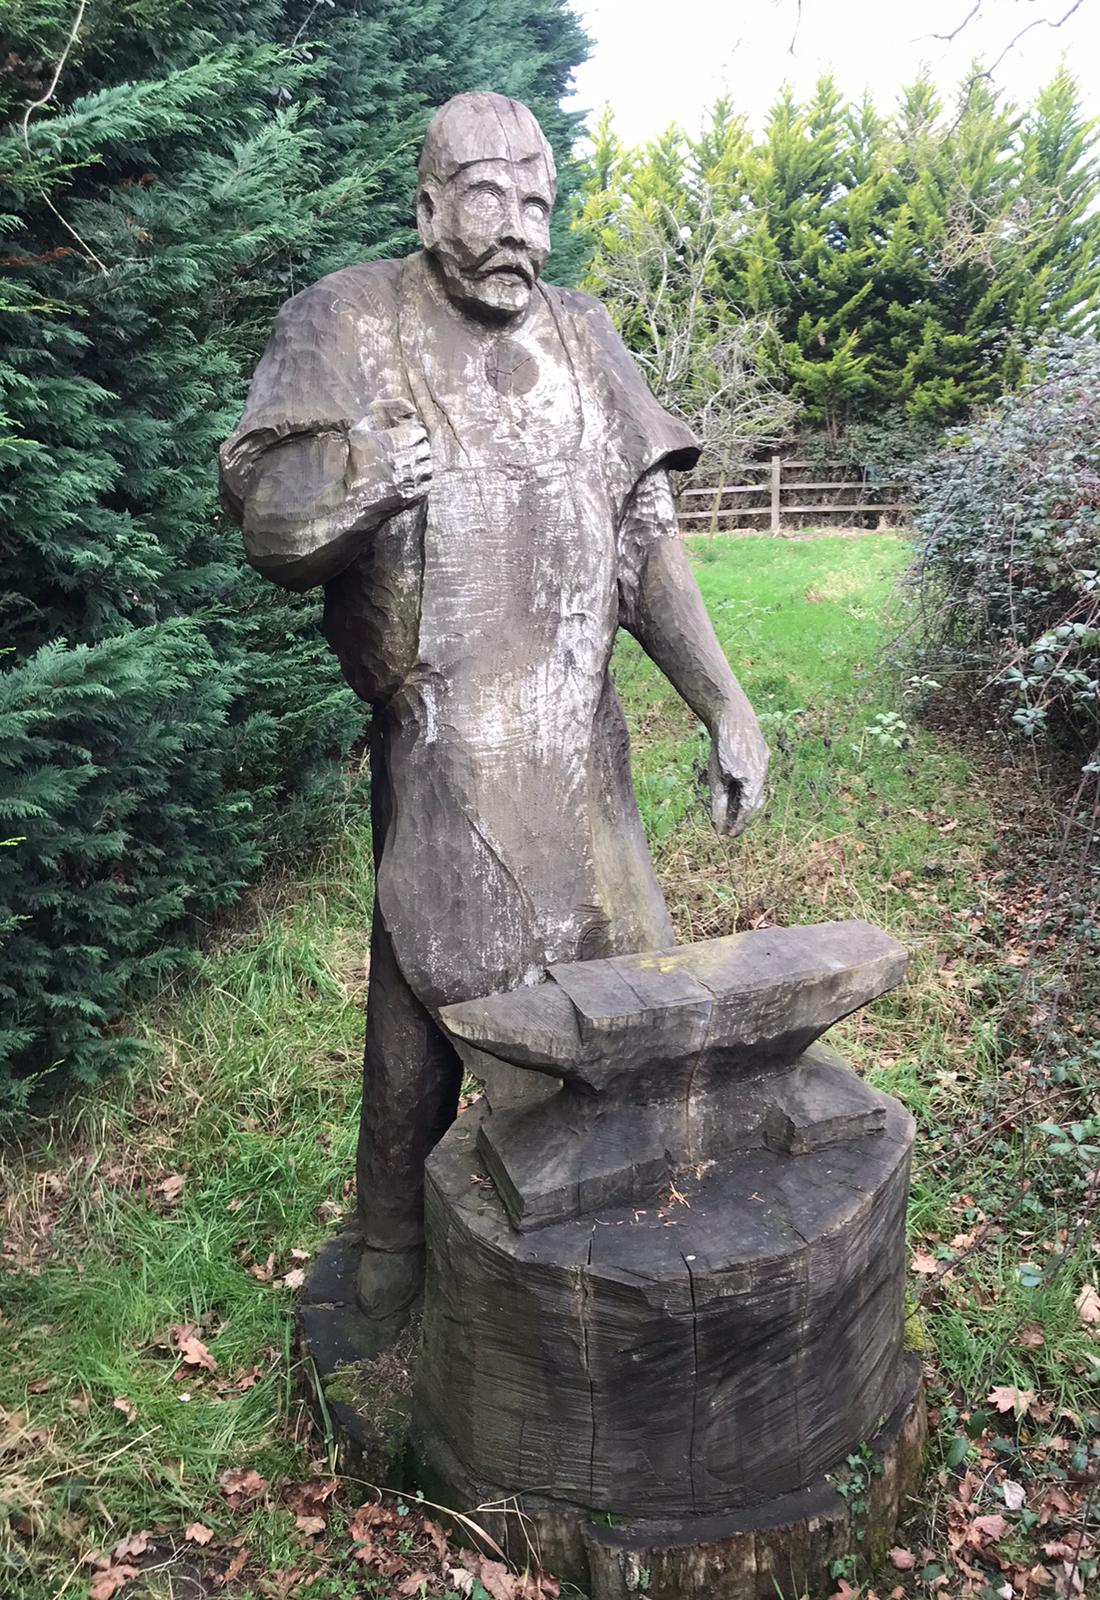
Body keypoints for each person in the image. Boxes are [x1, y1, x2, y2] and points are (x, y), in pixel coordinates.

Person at [219, 92, 769, 1319]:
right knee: (423, 1008)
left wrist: (726, 702)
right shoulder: (346, 320)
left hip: (588, 759)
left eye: (539, 203)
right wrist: (362, 477)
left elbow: (644, 547)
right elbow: (272, 528)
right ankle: (395, 1258)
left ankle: (599, 1286)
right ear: (427, 206)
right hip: (442, 757)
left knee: (627, 1025)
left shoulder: (584, 333)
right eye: (488, 195)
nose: (521, 227)